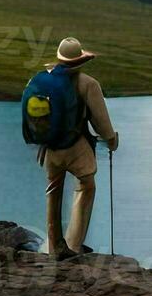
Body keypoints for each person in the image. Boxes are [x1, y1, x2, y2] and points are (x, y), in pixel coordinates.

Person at [41, 37, 118, 259]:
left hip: (51, 146)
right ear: (79, 61)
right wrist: (111, 140)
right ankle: (74, 244)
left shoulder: (43, 81)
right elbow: (100, 121)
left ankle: (53, 245)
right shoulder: (88, 84)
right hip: (76, 146)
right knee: (86, 186)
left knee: (53, 190)